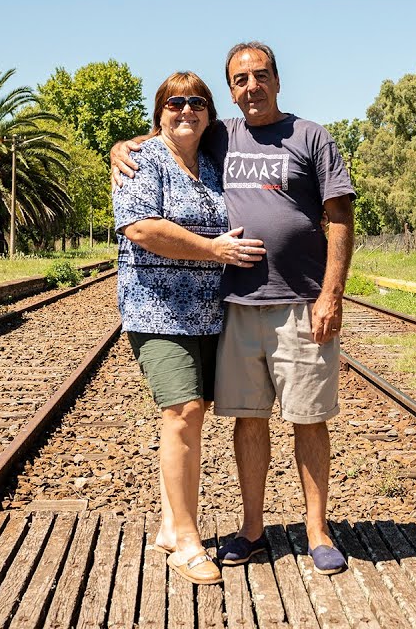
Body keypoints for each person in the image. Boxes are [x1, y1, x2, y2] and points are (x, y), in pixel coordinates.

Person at [112, 42, 356, 576]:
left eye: (260, 75)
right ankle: (251, 530)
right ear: (231, 90)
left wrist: (331, 293)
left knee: (309, 419)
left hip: (298, 301)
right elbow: (165, 136)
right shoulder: (223, 133)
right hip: (236, 305)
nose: (251, 87)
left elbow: (338, 216)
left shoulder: (309, 136)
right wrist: (121, 144)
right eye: (240, 80)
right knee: (245, 419)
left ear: (276, 79)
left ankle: (317, 531)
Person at [113, 71, 267, 586]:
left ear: (208, 113)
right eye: (174, 102)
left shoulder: (214, 161)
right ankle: (186, 539)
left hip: (213, 311)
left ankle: (168, 525)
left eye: (197, 102)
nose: (186, 110)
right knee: (182, 411)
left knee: (195, 415)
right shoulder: (143, 160)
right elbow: (140, 228)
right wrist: (213, 249)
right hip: (157, 312)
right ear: (159, 112)